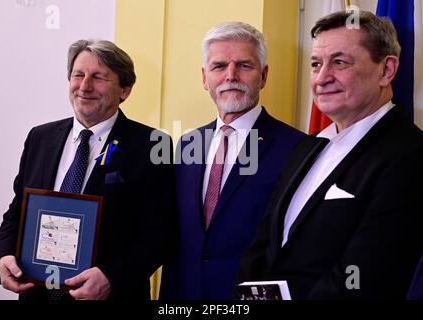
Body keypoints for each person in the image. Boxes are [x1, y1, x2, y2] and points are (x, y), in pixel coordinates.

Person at [238, 10, 423, 299]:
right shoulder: (305, 147)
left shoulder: (410, 154)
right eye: (315, 64)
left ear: (387, 70)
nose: (322, 78)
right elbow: (264, 243)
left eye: (339, 62)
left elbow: (367, 273)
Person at [0, 39, 176, 300]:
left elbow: (162, 234)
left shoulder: (153, 146)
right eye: (78, 75)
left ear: (125, 89)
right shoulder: (40, 138)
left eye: (98, 77)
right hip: (36, 293)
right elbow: (17, 211)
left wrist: (112, 276)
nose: (85, 86)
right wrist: (4, 255)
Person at [160, 21, 304, 299]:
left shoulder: (297, 148)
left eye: (244, 66)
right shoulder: (188, 143)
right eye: (219, 66)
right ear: (204, 78)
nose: (231, 76)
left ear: (263, 76)